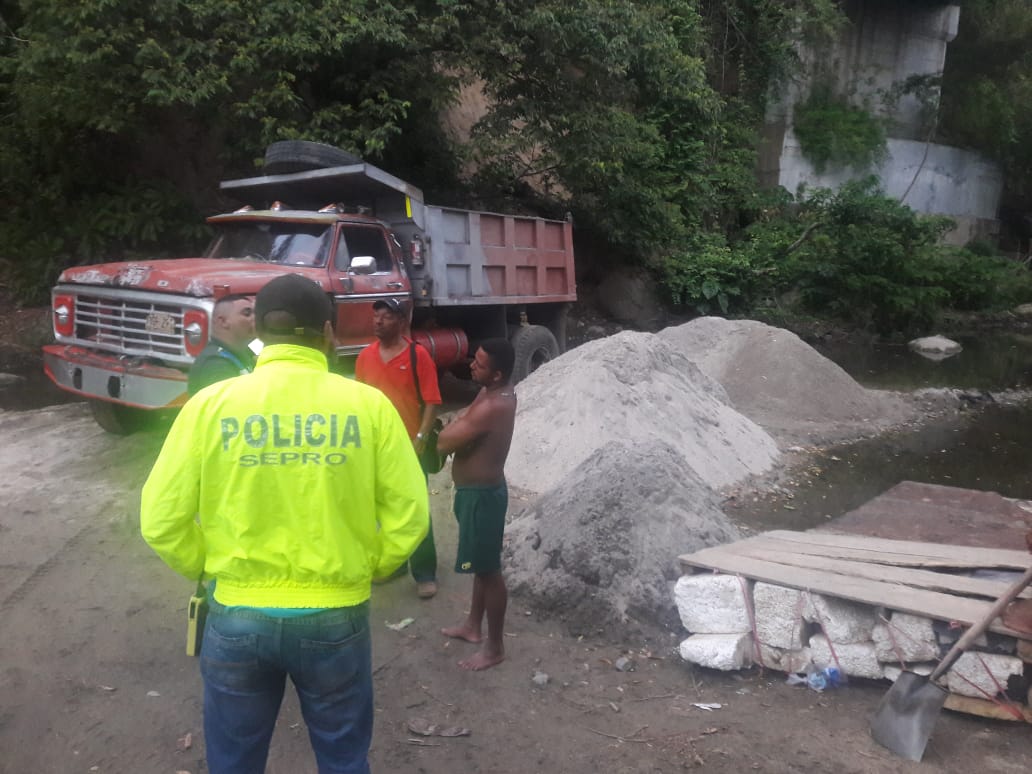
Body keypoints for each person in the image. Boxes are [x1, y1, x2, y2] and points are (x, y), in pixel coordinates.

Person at [140, 274, 428, 774]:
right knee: (342, 757)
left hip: (235, 614)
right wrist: (372, 565)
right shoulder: (368, 407)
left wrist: (208, 567)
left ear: (262, 336)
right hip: (335, 613)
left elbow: (160, 519)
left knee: (234, 761)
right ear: (328, 332)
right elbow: (411, 513)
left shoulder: (210, 406)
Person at [436, 338, 517, 671]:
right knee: (481, 568)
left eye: (479, 364)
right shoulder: (492, 393)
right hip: (476, 494)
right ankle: (472, 626)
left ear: (496, 375)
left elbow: (443, 442)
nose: (471, 365)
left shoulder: (494, 405)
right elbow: (459, 422)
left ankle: (495, 647)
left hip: (482, 498)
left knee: (488, 571)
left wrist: (443, 432)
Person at [355, 297, 442, 599]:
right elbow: (361, 401)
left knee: (416, 508)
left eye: (386, 316)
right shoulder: (364, 357)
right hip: (376, 447)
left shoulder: (419, 356)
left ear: (401, 322)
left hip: (409, 447)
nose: (378, 320)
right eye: (376, 315)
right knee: (382, 508)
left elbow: (431, 401)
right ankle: (393, 564)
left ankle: (424, 571)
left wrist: (421, 437)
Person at [187, 294, 258, 395]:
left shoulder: (247, 352)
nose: (254, 319)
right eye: (247, 314)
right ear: (223, 322)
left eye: (255, 314)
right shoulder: (215, 365)